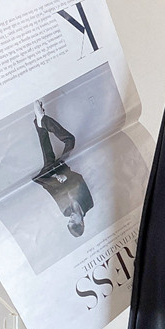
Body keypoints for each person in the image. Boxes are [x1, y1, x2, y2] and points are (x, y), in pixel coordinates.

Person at [30, 99, 93, 238]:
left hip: (49, 176)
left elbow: (54, 192)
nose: (70, 218)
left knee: (47, 151)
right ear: (81, 223)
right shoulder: (88, 204)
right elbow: (79, 179)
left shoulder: (65, 212)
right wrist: (65, 176)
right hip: (63, 170)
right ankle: (41, 120)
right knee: (70, 141)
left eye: (69, 222)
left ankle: (41, 119)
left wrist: (54, 177)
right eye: (74, 221)